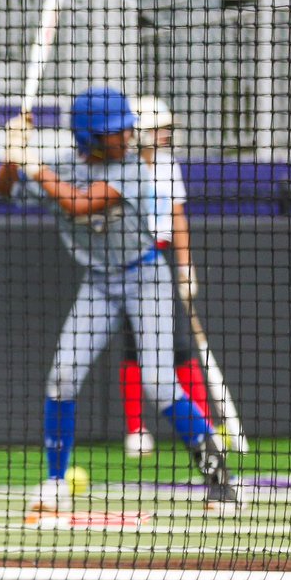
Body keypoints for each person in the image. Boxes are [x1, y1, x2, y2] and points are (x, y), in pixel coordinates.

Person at [0, 86, 243, 515]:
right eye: (116, 131)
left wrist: (32, 164)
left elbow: (79, 204)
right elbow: (5, 190)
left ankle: (220, 478)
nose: (127, 135)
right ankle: (55, 481)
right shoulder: (62, 167)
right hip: (99, 283)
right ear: (90, 136)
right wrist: (12, 154)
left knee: (161, 384)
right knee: (61, 377)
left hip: (146, 275)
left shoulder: (132, 170)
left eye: (127, 127)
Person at [118, 95, 215, 458]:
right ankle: (136, 429)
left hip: (159, 260)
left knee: (179, 346)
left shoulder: (168, 166)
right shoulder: (123, 167)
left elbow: (178, 218)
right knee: (133, 346)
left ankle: (203, 423)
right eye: (158, 129)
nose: (164, 135)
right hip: (126, 261)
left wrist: (185, 266)